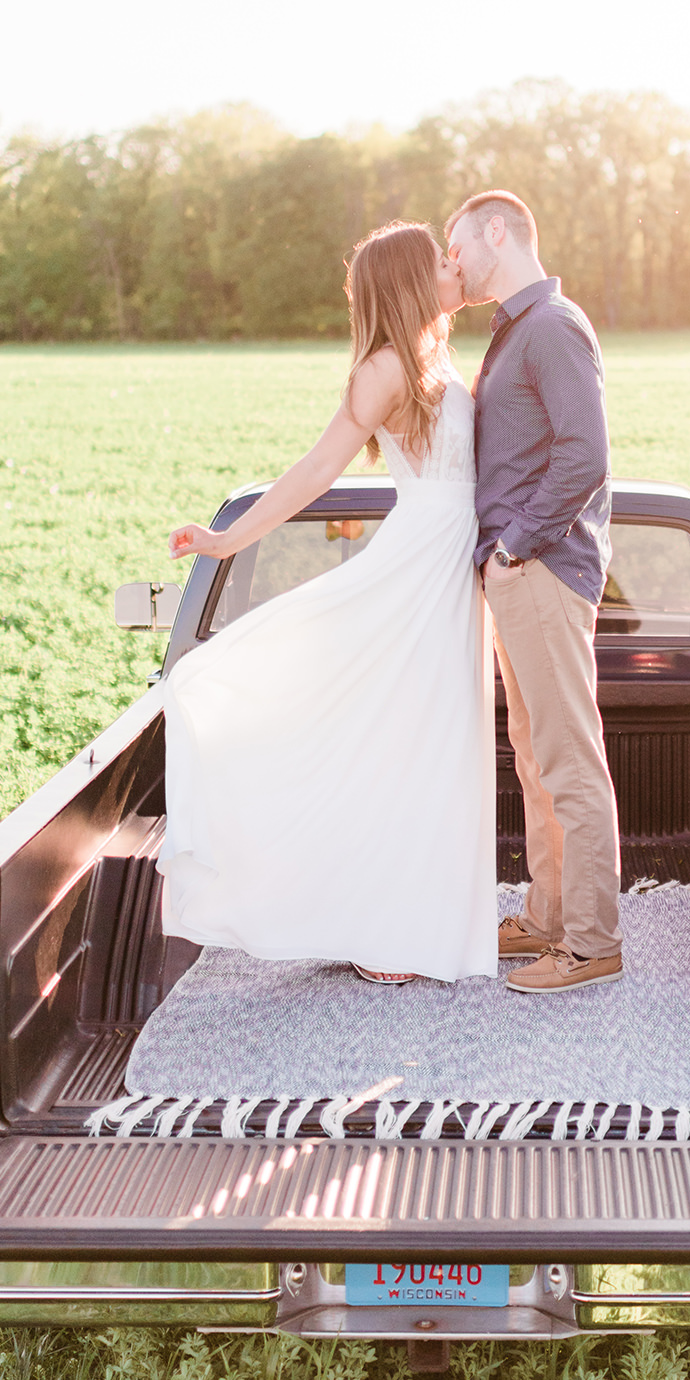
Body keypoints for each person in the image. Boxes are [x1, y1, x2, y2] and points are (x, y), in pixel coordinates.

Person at [158, 221, 497, 984]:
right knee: (401, 742)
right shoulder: (383, 369)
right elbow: (315, 470)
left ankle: (422, 921)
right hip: (417, 566)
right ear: (411, 282)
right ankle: (382, 929)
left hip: (451, 566)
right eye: (440, 265)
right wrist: (226, 540)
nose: (454, 270)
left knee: (439, 745)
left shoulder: (437, 355)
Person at [445, 191, 623, 994]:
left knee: (567, 762)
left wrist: (516, 544)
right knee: (534, 760)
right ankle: (548, 917)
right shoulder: (515, 329)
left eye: (457, 249)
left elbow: (584, 454)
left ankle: (590, 945)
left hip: (542, 569)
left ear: (496, 231)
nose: (454, 266)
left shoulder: (551, 326)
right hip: (521, 574)